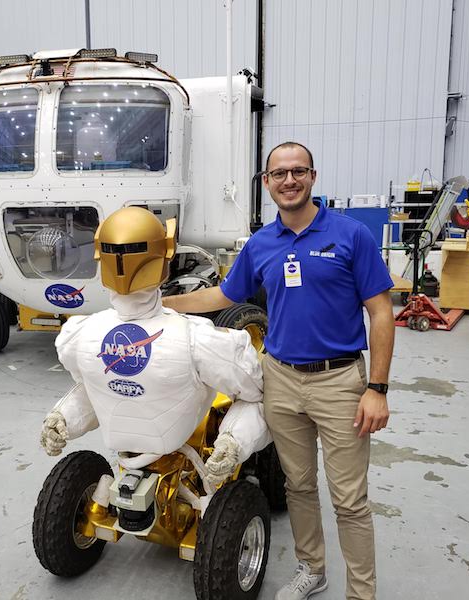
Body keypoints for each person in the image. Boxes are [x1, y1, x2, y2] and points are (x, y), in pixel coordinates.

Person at [163, 142, 395, 600]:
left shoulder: (350, 236)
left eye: (298, 171)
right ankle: (313, 569)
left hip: (340, 381)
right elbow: (225, 296)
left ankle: (361, 593)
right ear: (266, 183)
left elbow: (381, 313)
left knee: (349, 500)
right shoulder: (262, 244)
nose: (289, 180)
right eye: (279, 173)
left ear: (312, 177)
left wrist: (378, 389)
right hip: (281, 380)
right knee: (298, 485)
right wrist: (163, 305)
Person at [40, 206, 271, 489]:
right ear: (164, 259)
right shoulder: (196, 338)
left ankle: (60, 420)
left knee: (96, 382)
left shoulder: (79, 334)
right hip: (178, 432)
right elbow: (253, 386)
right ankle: (229, 445)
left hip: (119, 436)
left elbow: (88, 384)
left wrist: (64, 417)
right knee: (262, 395)